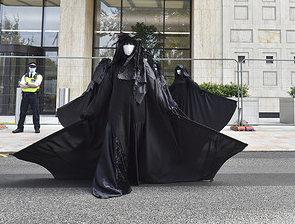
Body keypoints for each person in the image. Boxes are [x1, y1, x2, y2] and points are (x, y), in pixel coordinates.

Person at [13, 33, 247, 198]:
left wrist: (170, 108)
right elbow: (104, 93)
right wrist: (90, 112)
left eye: (130, 45)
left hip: (139, 115)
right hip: (116, 114)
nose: (127, 49)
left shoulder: (144, 65)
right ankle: (112, 179)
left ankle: (135, 175)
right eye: (123, 45)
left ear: (136, 47)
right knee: (115, 142)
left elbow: (156, 90)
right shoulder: (113, 68)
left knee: (137, 143)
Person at [169, 64, 237, 131]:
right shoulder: (176, 80)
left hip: (185, 100)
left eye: (179, 70)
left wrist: (201, 91)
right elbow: (170, 89)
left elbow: (195, 86)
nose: (178, 72)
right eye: (177, 70)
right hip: (177, 100)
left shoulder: (187, 80)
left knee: (185, 113)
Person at [13, 62, 43, 134]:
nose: (32, 68)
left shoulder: (38, 76)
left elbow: (36, 85)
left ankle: (37, 127)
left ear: (35, 68)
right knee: (23, 112)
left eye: (33, 67)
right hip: (25, 95)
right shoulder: (25, 76)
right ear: (28, 67)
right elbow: (21, 85)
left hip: (34, 95)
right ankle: (20, 127)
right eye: (31, 67)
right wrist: (31, 85)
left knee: (35, 112)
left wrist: (27, 83)